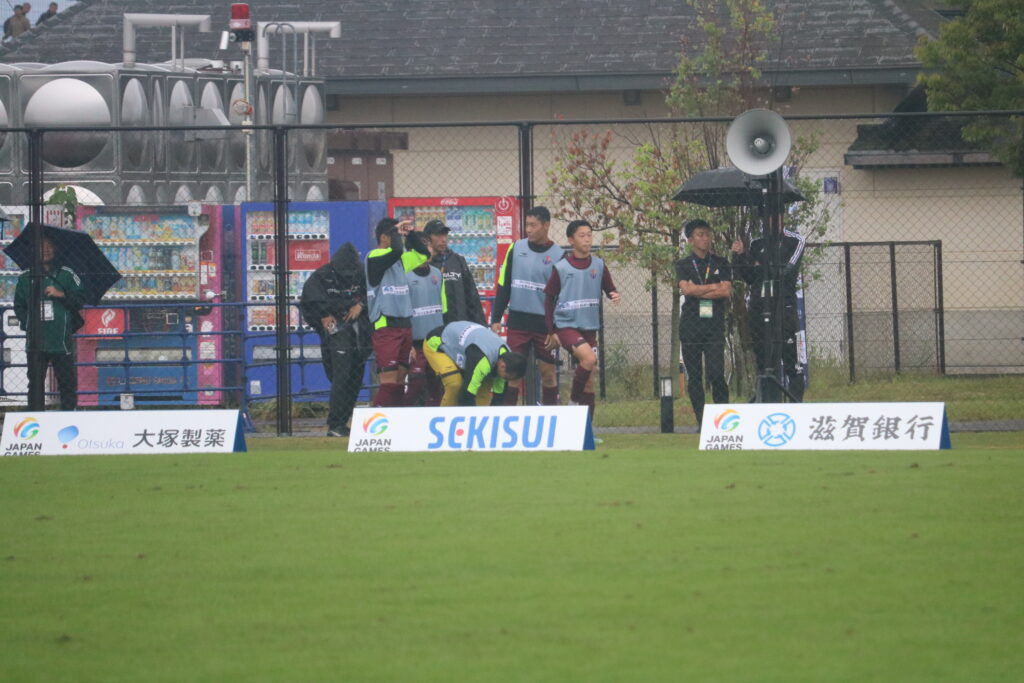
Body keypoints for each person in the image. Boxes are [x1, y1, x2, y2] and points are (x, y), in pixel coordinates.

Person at [543, 219, 620, 421]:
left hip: (589, 327)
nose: (587, 239)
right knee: (589, 359)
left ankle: (586, 429)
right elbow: (549, 299)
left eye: (589, 235)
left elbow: (609, 288)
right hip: (566, 325)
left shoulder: (599, 265)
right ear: (571, 240)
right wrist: (551, 330)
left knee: (589, 381)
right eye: (582, 235)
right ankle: (573, 402)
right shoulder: (561, 268)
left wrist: (614, 294)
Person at [490, 206, 564, 405]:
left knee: (548, 373)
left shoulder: (559, 255)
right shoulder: (516, 248)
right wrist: (496, 318)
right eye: (527, 225)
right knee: (512, 374)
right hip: (518, 322)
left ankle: (549, 416)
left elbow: (562, 297)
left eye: (533, 225)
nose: (528, 229)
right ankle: (509, 416)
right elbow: (504, 284)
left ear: (546, 225)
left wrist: (556, 329)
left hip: (544, 326)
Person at [731, 215, 806, 402]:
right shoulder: (756, 244)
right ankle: (766, 402)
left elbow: (786, 272)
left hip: (783, 306)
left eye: (776, 216)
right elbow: (749, 276)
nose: (772, 220)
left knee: (791, 360)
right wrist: (739, 256)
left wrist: (762, 266)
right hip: (759, 306)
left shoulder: (795, 241)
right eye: (768, 216)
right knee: (764, 361)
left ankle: (795, 404)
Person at [300, 242, 371, 437]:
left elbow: (375, 293)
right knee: (340, 377)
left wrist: (361, 305)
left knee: (355, 379)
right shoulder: (322, 276)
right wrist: (323, 315)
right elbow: (309, 302)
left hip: (360, 334)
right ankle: (335, 424)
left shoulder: (362, 273)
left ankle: (342, 422)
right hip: (336, 333)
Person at [13, 236, 85, 411]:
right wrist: (28, 324)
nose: (46, 250)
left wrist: (61, 294)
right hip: (36, 341)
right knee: (35, 384)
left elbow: (80, 300)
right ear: (34, 251)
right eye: (41, 246)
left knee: (67, 382)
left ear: (55, 250)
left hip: (61, 340)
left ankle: (68, 416)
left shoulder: (67, 274)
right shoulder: (25, 277)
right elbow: (19, 306)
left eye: (49, 246)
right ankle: (36, 417)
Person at [364, 217, 430, 407]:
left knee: (401, 378)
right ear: (384, 237)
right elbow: (396, 250)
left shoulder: (400, 260)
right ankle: (375, 420)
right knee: (389, 381)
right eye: (394, 234)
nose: (397, 238)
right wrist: (396, 231)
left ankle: (395, 418)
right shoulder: (374, 256)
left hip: (404, 324)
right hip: (386, 325)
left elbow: (423, 254)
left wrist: (411, 234)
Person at [675, 219, 732, 427]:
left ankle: (723, 420)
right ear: (690, 240)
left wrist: (697, 290)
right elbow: (686, 289)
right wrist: (712, 287)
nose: (705, 239)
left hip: (714, 326)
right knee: (695, 376)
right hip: (690, 326)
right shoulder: (683, 264)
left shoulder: (721, 262)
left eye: (707, 234)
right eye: (700, 235)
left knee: (716, 373)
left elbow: (725, 290)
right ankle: (702, 421)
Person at [423, 321, 527, 407]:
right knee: (454, 383)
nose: (506, 380)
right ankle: (446, 419)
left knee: (484, 387)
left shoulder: (506, 358)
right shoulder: (482, 361)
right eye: (507, 377)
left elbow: (498, 398)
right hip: (437, 342)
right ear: (502, 366)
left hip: (462, 340)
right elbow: (466, 395)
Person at [424, 219, 486, 326]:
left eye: (445, 235)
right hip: (433, 323)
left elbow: (472, 296)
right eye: (438, 235)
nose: (443, 239)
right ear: (428, 238)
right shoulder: (423, 264)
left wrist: (480, 324)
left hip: (459, 323)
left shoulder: (458, 260)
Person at [404, 258, 446, 406]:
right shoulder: (406, 275)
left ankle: (434, 411)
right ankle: (403, 412)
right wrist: (407, 342)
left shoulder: (437, 273)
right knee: (416, 382)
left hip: (436, 339)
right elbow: (403, 309)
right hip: (416, 340)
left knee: (436, 381)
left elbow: (444, 305)